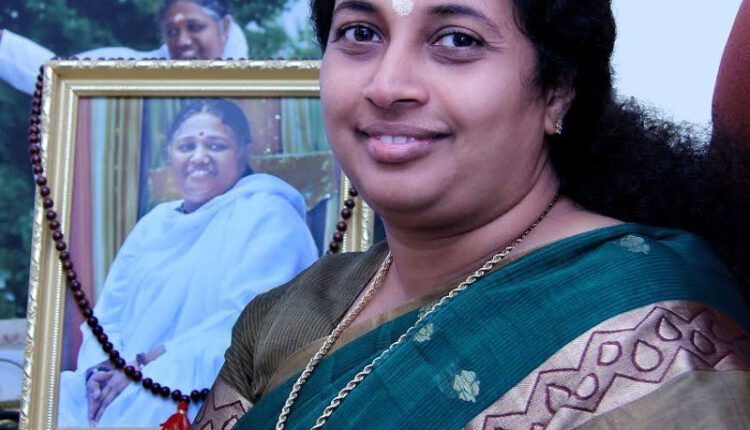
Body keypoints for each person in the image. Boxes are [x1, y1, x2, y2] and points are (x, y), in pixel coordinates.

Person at [193, 0, 750, 429]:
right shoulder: (289, 314)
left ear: (557, 92)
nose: (387, 86)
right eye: (361, 33)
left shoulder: (647, 326)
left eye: (457, 40)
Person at [56, 99, 319, 427]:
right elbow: (108, 317)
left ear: (243, 152)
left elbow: (255, 322)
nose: (199, 157)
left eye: (216, 146)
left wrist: (145, 363)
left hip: (201, 376)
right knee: (61, 395)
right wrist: (104, 370)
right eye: (186, 146)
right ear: (170, 155)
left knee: (161, 386)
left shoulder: (268, 213)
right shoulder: (153, 224)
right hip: (123, 376)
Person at [0, 0, 248, 95]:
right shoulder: (137, 71)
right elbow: (54, 75)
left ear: (225, 27)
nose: (182, 41)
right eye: (172, 31)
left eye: (195, 27)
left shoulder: (255, 89)